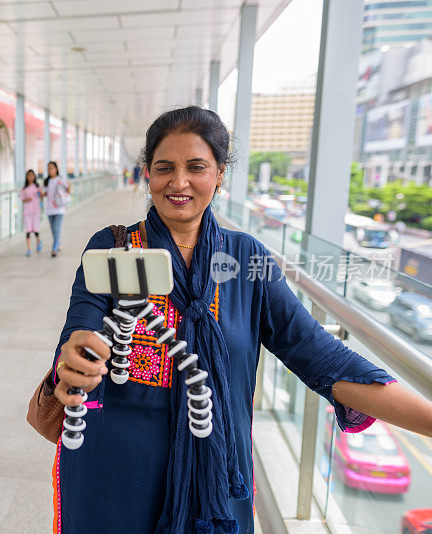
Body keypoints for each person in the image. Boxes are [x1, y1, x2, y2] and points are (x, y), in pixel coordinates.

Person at [46, 106, 432, 533]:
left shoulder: (248, 259)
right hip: (115, 474)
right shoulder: (114, 247)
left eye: (196, 167)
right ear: (147, 174)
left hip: (214, 479)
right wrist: (78, 351)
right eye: (164, 168)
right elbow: (79, 325)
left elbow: (319, 355)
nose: (179, 182)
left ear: (220, 173)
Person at [43, 161, 70, 257]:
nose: (49, 170)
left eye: (51, 168)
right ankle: (57, 243)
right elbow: (45, 193)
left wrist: (67, 185)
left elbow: (68, 190)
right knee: (53, 230)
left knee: (56, 228)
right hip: (49, 209)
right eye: (48, 168)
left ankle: (54, 248)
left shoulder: (61, 179)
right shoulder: (47, 181)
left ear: (56, 169)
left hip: (59, 209)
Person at [20, 169, 43, 256]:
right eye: (29, 175)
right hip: (27, 212)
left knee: (35, 230)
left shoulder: (37, 187)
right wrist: (27, 199)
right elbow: (22, 199)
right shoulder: (24, 188)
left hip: (35, 211)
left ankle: (38, 241)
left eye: (32, 175)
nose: (30, 177)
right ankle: (29, 249)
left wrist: (40, 194)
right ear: (27, 177)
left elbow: (41, 198)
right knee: (28, 230)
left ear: (34, 177)